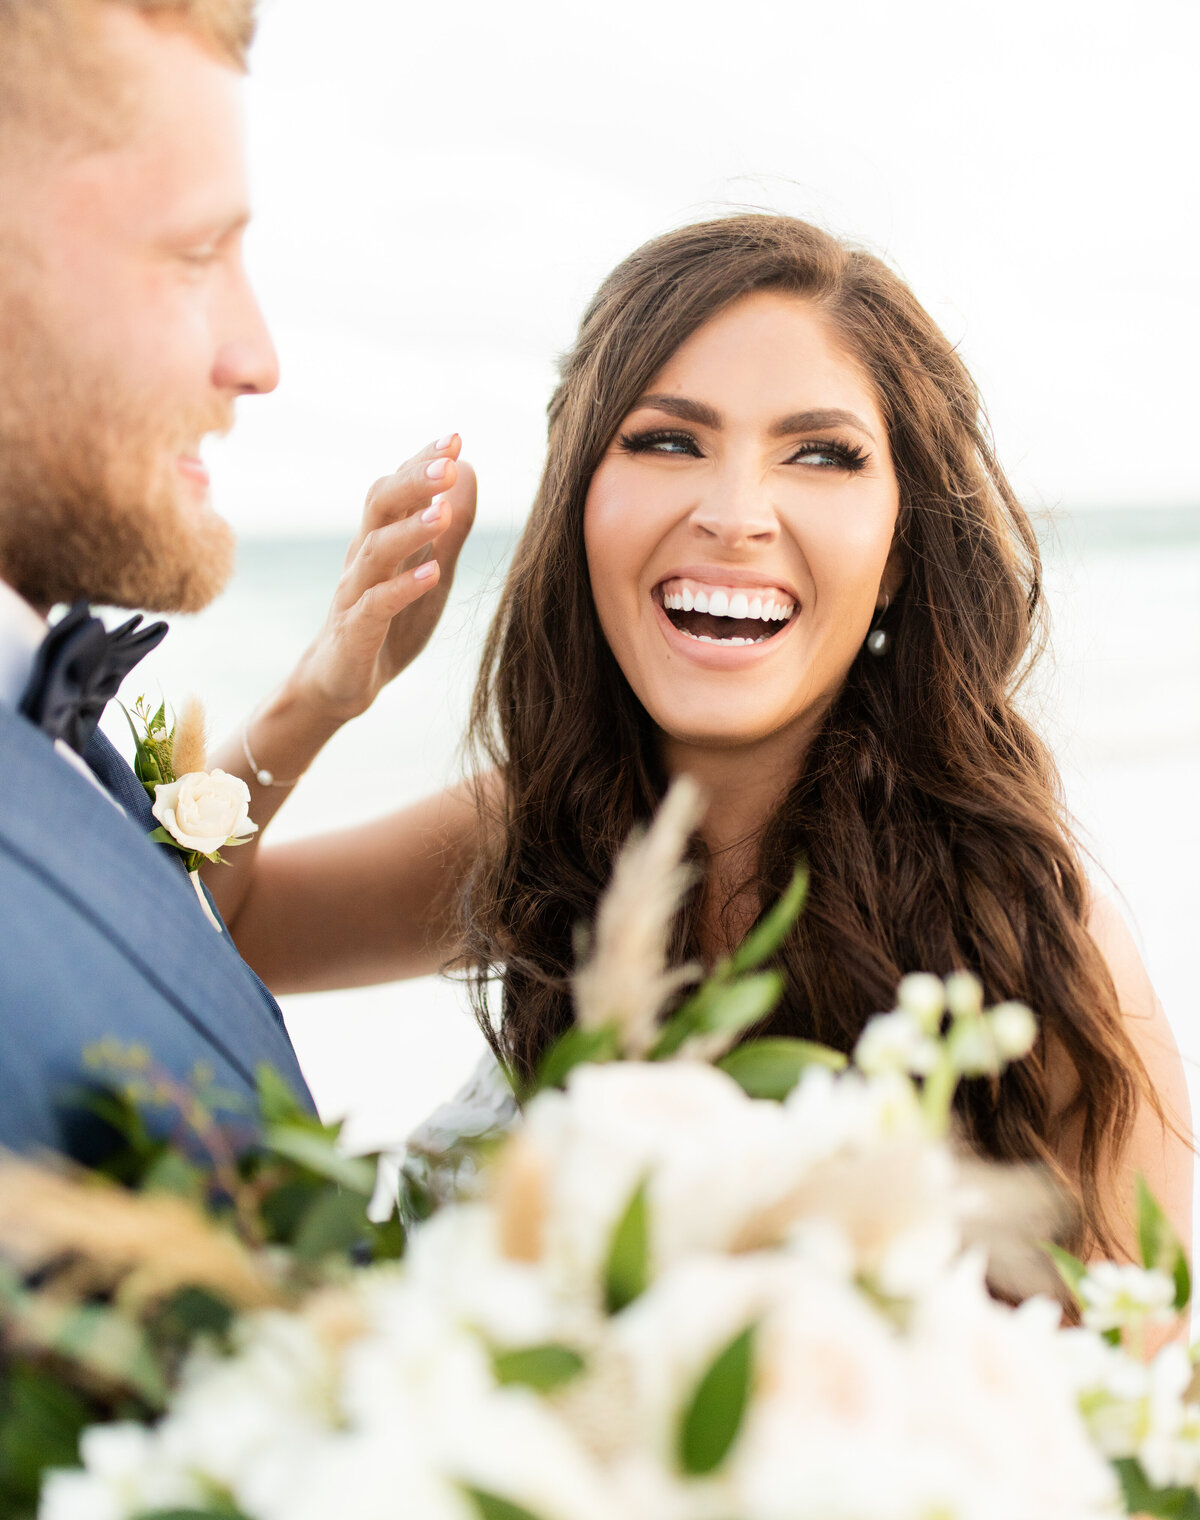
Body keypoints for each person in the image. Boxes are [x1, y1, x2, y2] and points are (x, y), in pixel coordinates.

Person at [202, 214, 1192, 1278]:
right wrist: (316, 701)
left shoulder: (1021, 931)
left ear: (902, 551)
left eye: (822, 454)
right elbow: (219, 925)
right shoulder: (539, 832)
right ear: (582, 499)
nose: (736, 513)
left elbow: (1155, 1380)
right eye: (668, 440)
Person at [0, 0, 473, 1158]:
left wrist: (316, 699)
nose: (257, 359)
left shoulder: (46, 723)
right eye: (195, 255)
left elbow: (161, 929)